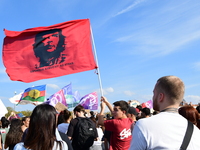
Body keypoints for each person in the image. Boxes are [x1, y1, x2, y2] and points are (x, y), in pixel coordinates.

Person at [129, 75, 200, 150]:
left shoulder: (143, 125)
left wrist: (137, 133)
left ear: (160, 97)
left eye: (154, 93)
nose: (152, 97)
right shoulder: (196, 132)